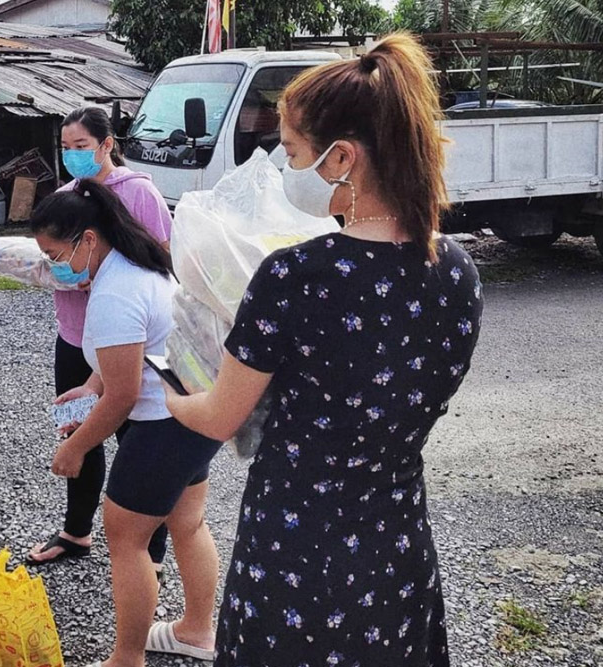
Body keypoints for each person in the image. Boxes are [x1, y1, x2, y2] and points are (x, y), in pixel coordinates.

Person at [165, 33, 483, 666]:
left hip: (295, 547)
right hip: (397, 543)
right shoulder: (457, 270)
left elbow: (221, 416)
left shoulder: (294, 275)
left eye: (290, 152)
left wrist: (168, 391)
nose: (283, 168)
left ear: (341, 158)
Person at [31, 181, 222, 666]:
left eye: (54, 255)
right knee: (187, 522)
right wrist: (91, 385)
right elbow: (134, 353)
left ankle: (126, 659)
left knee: (126, 538)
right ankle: (197, 631)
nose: (54, 266)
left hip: (162, 425)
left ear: (88, 239)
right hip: (192, 414)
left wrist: (75, 447)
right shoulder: (138, 264)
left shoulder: (115, 292)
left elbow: (124, 396)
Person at [28, 107, 174, 569]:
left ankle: (147, 548)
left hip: (128, 336)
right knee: (78, 424)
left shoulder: (138, 194)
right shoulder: (67, 196)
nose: (72, 156)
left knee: (136, 439)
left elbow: (162, 258)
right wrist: (56, 273)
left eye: (81, 147)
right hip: (78, 337)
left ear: (107, 144)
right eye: (65, 148)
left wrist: (100, 282)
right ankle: (77, 530)